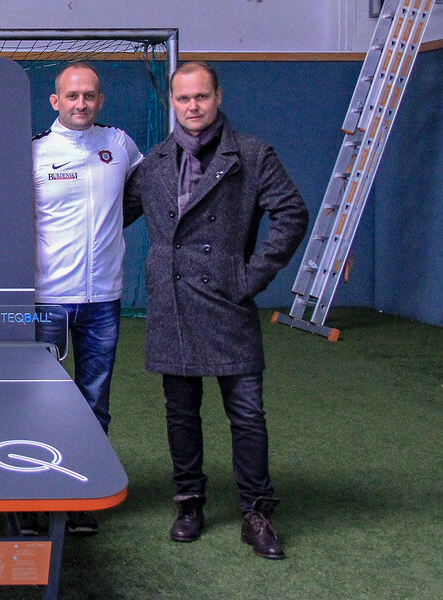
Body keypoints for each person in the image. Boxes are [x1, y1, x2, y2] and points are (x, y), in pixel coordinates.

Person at [123, 61, 308, 559]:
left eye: (201, 96)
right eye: (184, 98)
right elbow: (109, 216)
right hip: (173, 301)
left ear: (218, 96)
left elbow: (292, 212)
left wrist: (251, 276)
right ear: (172, 103)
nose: (193, 106)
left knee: (247, 413)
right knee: (181, 413)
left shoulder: (251, 154)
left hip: (229, 301)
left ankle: (256, 512)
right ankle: (189, 502)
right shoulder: (154, 164)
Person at [33, 62, 143, 536]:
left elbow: (142, 194)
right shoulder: (34, 152)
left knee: (94, 399)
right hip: (48, 301)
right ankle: (38, 492)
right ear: (55, 101)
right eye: (72, 95)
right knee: (44, 401)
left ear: (100, 100)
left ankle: (83, 492)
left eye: (89, 95)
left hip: (103, 300)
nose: (81, 103)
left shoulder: (119, 145)